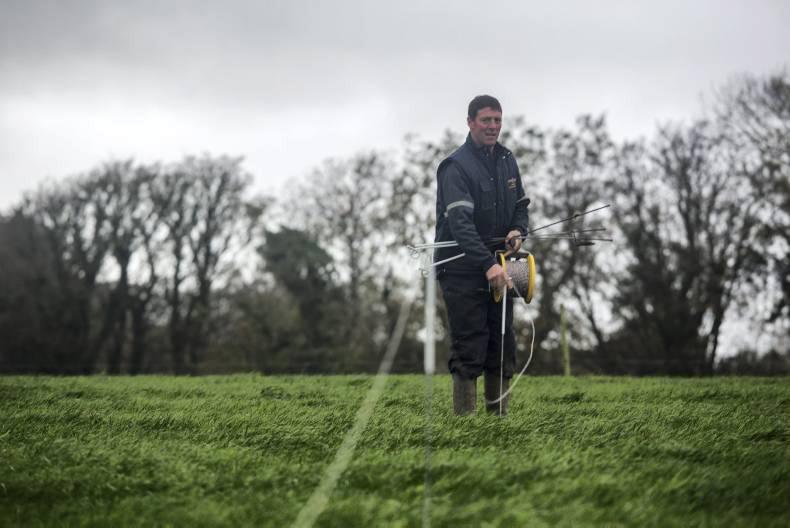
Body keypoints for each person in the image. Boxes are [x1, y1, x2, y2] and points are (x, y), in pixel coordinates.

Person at [434, 95, 530, 416]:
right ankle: (464, 423)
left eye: (498, 120)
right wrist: (487, 264)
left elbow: (520, 206)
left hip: (502, 266)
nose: (493, 126)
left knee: (502, 345)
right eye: (486, 120)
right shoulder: (455, 167)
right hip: (461, 270)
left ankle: (498, 421)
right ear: (470, 122)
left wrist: (518, 230)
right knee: (470, 345)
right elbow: (460, 225)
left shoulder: (507, 160)